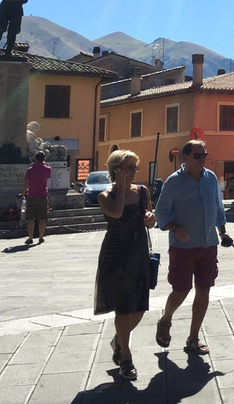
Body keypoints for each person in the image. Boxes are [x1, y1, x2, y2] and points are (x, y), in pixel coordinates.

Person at [154, 139, 232, 356]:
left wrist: (223, 232)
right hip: (183, 246)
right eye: (198, 155)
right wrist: (174, 228)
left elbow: (218, 208)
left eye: (204, 155)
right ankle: (166, 319)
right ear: (185, 157)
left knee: (204, 289)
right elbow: (161, 213)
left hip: (208, 243)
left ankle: (193, 338)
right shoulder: (173, 182)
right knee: (181, 289)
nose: (202, 159)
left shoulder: (211, 179)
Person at [94, 150, 155, 382]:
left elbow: (150, 217)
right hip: (116, 254)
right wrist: (119, 188)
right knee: (123, 307)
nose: (132, 173)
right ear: (116, 169)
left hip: (138, 252)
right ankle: (126, 359)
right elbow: (117, 214)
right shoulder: (105, 196)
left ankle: (119, 339)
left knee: (139, 306)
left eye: (134, 168)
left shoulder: (142, 191)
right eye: (128, 168)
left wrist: (151, 219)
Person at [21, 151, 51, 244]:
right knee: (42, 218)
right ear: (44, 159)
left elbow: (26, 184)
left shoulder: (30, 170)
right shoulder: (48, 169)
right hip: (43, 195)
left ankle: (30, 237)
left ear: (35, 158)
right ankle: (41, 237)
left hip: (32, 195)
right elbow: (47, 178)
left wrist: (23, 194)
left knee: (30, 218)